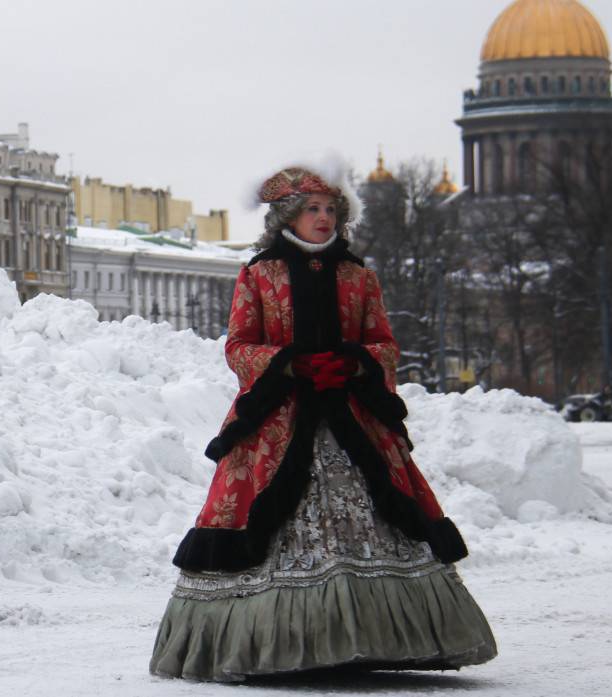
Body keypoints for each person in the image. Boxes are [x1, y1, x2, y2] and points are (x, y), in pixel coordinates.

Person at [148, 166, 496, 682]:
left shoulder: (358, 275)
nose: (323, 218)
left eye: (331, 209)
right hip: (281, 416)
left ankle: (380, 636)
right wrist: (289, 362)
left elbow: (384, 343)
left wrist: (356, 361)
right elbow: (239, 346)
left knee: (375, 501)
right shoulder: (259, 273)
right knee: (266, 509)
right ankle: (271, 642)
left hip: (349, 412)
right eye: (313, 209)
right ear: (288, 215)